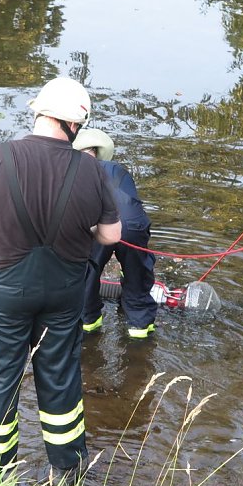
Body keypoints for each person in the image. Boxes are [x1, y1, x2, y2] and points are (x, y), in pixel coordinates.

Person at [0, 77, 121, 484]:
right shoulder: (91, 171)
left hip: (3, 293)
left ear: (39, 113)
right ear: (75, 124)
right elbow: (112, 236)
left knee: (0, 379)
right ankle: (67, 473)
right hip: (63, 293)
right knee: (59, 377)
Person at [74, 128, 157, 339]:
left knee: (87, 274)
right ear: (98, 152)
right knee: (137, 274)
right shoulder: (117, 168)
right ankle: (140, 333)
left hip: (99, 223)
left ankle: (89, 325)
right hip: (133, 226)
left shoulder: (73, 172)